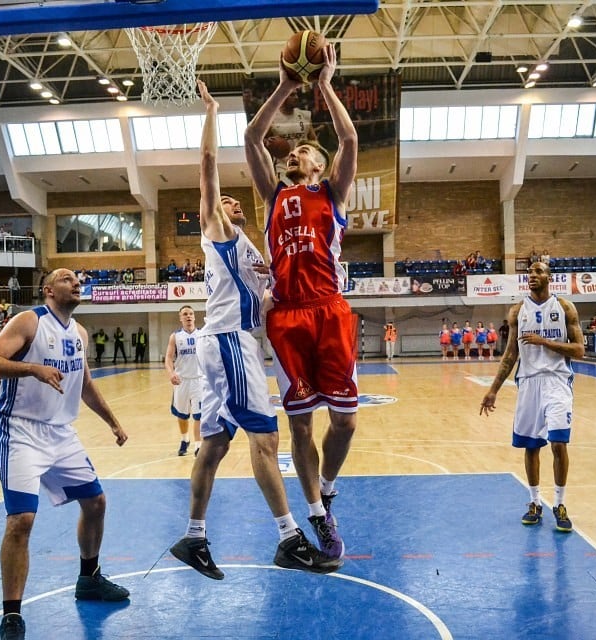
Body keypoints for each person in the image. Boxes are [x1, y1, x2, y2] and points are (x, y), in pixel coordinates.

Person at [170, 81, 340, 580]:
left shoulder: (247, 245)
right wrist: (211, 111)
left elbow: (265, 299)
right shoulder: (216, 230)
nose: (228, 202)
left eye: (231, 200)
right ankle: (290, 538)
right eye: (220, 200)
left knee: (215, 444)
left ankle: (194, 537)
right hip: (228, 341)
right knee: (266, 439)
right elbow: (207, 165)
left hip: (230, 340)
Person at [0, 268, 129, 640]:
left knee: (96, 502)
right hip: (20, 429)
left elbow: (84, 383)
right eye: (66, 278)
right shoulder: (29, 321)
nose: (76, 282)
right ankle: (12, 616)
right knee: (21, 520)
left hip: (60, 433)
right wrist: (31, 369)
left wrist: (112, 421)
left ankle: (89, 578)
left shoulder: (79, 333)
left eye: (78, 279)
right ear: (48, 290)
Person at [245, 41, 356, 560]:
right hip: (287, 315)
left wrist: (326, 84)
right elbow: (251, 137)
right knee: (302, 423)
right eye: (291, 150)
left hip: (330, 308)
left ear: (320, 163)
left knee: (346, 421)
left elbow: (350, 136)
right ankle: (316, 516)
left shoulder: (331, 193)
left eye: (305, 150)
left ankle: (327, 491)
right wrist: (287, 87)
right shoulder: (273, 197)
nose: (296, 152)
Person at [479, 262, 585, 533]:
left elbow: (580, 350)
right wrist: (493, 390)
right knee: (531, 445)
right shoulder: (517, 311)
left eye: (539, 272)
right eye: (530, 273)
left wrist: (545, 342)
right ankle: (534, 502)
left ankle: (559, 505)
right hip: (528, 383)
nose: (533, 276)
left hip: (557, 382)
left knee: (559, 444)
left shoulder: (564, 308)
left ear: (549, 277)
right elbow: (510, 355)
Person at [165, 306, 203, 457]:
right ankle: (184, 439)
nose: (188, 316)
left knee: (199, 415)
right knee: (182, 414)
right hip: (181, 381)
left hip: (199, 380)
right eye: (185, 314)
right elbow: (168, 358)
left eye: (191, 314)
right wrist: (171, 373)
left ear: (194, 317)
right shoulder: (175, 336)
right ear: (180, 318)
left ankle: (198, 446)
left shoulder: (202, 334)